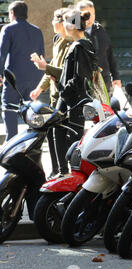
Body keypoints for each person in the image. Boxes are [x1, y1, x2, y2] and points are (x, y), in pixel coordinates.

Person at [32, 9, 97, 176]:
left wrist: (61, 87)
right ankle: (63, 173)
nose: (64, 25)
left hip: (72, 101)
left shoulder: (79, 47)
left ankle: (68, 174)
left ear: (74, 26)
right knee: (57, 132)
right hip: (72, 100)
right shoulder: (83, 45)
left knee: (68, 138)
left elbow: (77, 79)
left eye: (67, 22)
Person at [30, 8, 73, 179]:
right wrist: (40, 88)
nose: (52, 23)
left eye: (55, 20)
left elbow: (67, 72)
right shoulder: (58, 40)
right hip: (56, 94)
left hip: (68, 96)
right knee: (51, 132)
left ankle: (64, 171)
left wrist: (45, 67)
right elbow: (53, 68)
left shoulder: (73, 44)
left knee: (60, 134)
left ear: (63, 22)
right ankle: (57, 170)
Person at [0, 1, 44, 141]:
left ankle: (11, 142)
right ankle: (31, 141)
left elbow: (2, 54)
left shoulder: (8, 29)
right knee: (31, 110)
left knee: (9, 108)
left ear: (12, 13)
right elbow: (41, 55)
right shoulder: (37, 30)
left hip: (14, 79)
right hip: (35, 78)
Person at [76, 0, 121, 92]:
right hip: (83, 84)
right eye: (87, 14)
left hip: (103, 81)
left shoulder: (99, 29)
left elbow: (109, 55)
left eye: (93, 14)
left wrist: (116, 77)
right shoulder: (73, 32)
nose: (90, 18)